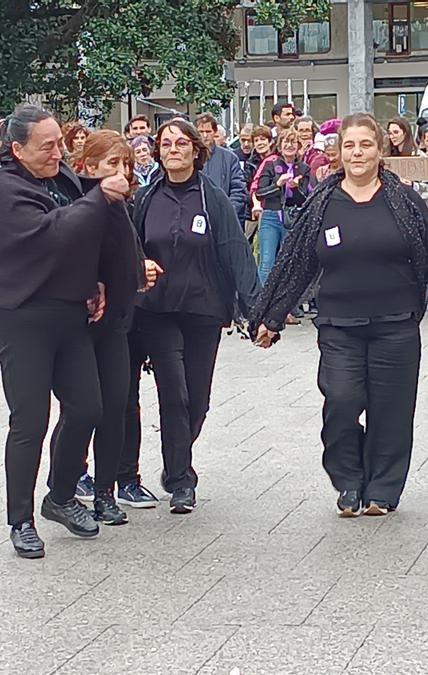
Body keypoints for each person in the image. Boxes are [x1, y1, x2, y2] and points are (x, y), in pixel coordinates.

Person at [249, 113, 428, 516]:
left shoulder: (404, 199)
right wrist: (271, 315)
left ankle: (382, 490)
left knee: (391, 411)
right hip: (339, 325)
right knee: (341, 401)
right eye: (349, 145)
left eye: (365, 144)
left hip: (396, 324)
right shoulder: (322, 202)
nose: (357, 153)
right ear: (339, 152)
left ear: (380, 150)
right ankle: (348, 480)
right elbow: (298, 263)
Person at [0, 104, 132, 559]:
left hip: (68, 312)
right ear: (17, 149)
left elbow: (87, 233)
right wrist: (101, 196)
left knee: (88, 407)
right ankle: (19, 520)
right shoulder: (3, 189)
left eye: (60, 143)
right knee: (30, 421)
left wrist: (99, 277)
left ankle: (60, 495)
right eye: (47, 147)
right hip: (21, 316)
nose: (58, 153)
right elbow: (53, 231)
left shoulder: (59, 178)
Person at [126, 117, 261, 514]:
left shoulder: (212, 197)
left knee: (197, 400)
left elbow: (235, 251)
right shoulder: (147, 198)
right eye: (166, 144)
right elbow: (130, 248)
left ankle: (177, 459)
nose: (173, 150)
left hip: (203, 309)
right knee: (174, 393)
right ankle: (182, 479)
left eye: (181, 143)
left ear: (196, 150)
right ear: (157, 151)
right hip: (158, 311)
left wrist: (256, 310)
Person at [61, 130, 151, 522]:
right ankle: (68, 482)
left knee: (117, 405)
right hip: (80, 325)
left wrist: (141, 269)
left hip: (116, 323)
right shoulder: (78, 202)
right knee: (83, 408)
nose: (122, 172)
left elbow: (127, 255)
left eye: (127, 164)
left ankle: (105, 491)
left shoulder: (123, 207)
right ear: (89, 167)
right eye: (113, 164)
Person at [255, 127, 313, 287]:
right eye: (286, 141)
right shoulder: (270, 165)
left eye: (293, 141)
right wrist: (277, 184)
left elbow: (309, 198)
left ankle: (288, 305)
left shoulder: (303, 168)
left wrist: (297, 187)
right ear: (279, 145)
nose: (290, 145)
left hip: (293, 218)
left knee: (289, 262)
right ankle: (262, 303)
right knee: (267, 261)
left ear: (298, 145)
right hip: (271, 216)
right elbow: (260, 193)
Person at [195, 113, 247, 220]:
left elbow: (238, 188)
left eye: (208, 131)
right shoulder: (190, 157)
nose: (205, 135)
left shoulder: (230, 158)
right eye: (201, 132)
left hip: (224, 217)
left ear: (214, 132)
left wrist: (229, 211)